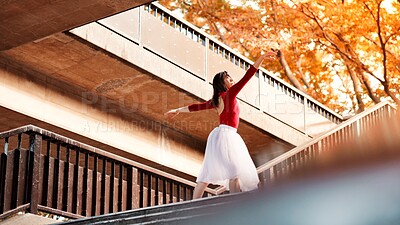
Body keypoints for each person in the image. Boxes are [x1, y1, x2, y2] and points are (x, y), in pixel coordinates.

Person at [165, 51, 277, 199]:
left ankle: (193, 203)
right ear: (222, 84)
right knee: (234, 172)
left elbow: (197, 106)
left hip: (218, 135)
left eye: (231, 78)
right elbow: (248, 75)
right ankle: (234, 202)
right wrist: (261, 58)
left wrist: (177, 110)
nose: (232, 80)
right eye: (228, 79)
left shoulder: (217, 100)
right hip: (228, 135)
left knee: (210, 171)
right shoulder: (229, 95)